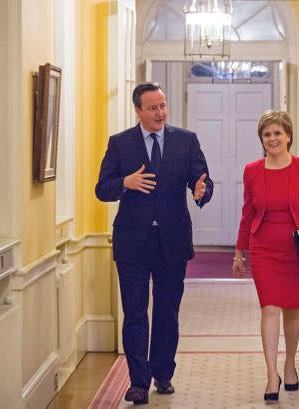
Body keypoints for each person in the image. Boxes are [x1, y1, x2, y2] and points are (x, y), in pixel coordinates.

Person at [95, 82, 214, 405]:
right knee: (134, 313)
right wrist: (125, 182)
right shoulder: (120, 144)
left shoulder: (185, 141)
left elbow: (202, 179)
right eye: (153, 108)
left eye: (163, 106)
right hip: (132, 242)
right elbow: (101, 188)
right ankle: (138, 382)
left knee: (167, 312)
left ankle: (163, 374)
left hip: (172, 241)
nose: (160, 113)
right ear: (138, 110)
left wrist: (202, 192)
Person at [232, 110, 299, 402]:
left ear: (288, 135)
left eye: (277, 133)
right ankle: (271, 374)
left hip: (298, 248)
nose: (272, 139)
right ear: (261, 139)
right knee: (270, 308)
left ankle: (290, 364)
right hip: (264, 246)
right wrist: (240, 251)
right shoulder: (252, 170)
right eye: (266, 134)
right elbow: (247, 212)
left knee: (292, 309)